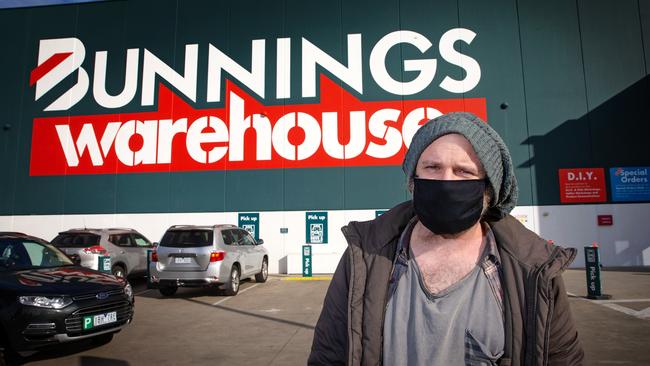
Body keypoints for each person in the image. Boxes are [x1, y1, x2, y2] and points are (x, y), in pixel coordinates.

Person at [308, 112, 584, 365]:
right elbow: (329, 355)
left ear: (489, 190)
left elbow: (562, 359)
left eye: (463, 171)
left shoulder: (531, 268)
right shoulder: (366, 255)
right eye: (432, 168)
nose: (446, 181)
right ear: (413, 179)